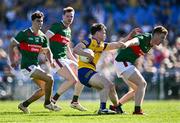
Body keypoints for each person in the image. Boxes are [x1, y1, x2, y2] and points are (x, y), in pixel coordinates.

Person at [73, 23, 141, 114]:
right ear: (97, 33)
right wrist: (87, 55)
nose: (105, 34)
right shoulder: (88, 41)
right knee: (106, 84)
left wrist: (129, 36)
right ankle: (102, 109)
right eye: (103, 32)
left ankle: (117, 109)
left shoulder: (102, 45)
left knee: (111, 86)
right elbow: (76, 49)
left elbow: (118, 45)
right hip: (84, 71)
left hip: (90, 71)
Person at [9, 10, 60, 114]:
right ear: (32, 21)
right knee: (50, 78)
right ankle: (48, 103)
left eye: (41, 21)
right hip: (26, 66)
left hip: (35, 66)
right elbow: (11, 45)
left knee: (44, 89)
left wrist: (50, 61)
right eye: (38, 21)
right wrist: (12, 60)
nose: (40, 23)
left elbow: (47, 50)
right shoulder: (24, 33)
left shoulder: (43, 36)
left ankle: (24, 105)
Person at [111, 26, 168, 115]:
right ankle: (137, 110)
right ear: (156, 34)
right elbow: (135, 41)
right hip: (122, 62)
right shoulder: (145, 38)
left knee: (137, 90)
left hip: (124, 63)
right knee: (142, 83)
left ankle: (116, 106)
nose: (162, 40)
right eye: (162, 37)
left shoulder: (151, 44)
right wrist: (127, 43)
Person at [45, 6, 87, 111]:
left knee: (82, 74)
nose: (69, 18)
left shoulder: (68, 30)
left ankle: (75, 101)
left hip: (64, 58)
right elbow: (45, 38)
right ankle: (52, 102)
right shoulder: (57, 26)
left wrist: (75, 60)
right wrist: (49, 56)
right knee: (72, 79)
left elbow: (67, 48)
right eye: (67, 16)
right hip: (56, 58)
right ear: (63, 16)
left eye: (71, 16)